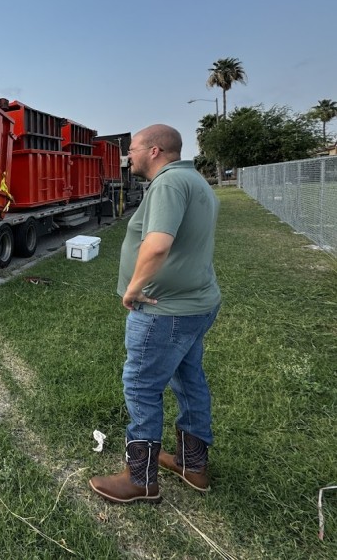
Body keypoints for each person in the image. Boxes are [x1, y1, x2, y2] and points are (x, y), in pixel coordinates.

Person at [89, 124, 221, 504]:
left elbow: (159, 244)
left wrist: (133, 288)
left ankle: (140, 479)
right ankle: (192, 465)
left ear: (155, 151)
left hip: (166, 312)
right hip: (197, 304)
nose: (126, 156)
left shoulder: (167, 184)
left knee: (141, 385)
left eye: (132, 149)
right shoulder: (196, 182)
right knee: (188, 378)